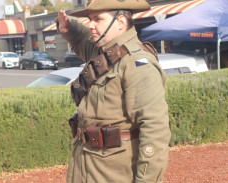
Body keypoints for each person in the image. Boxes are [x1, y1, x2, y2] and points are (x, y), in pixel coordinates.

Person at [57, 0, 171, 182]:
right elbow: (80, 38)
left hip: (114, 173)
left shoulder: (137, 63)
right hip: (87, 168)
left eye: (97, 19)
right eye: (89, 19)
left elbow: (155, 130)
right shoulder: (103, 51)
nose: (90, 25)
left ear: (120, 22)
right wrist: (69, 27)